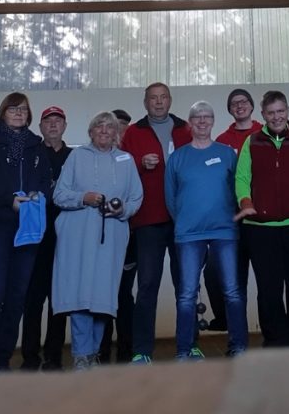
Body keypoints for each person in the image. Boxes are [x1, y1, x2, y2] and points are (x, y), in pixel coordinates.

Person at [52, 112, 143, 370]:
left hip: (111, 238)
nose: (104, 131)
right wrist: (84, 198)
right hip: (77, 237)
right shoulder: (76, 156)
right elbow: (59, 194)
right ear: (90, 132)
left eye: (109, 127)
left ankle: (92, 354)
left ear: (117, 134)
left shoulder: (126, 160)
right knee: (80, 297)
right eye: (99, 127)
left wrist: (122, 209)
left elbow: (136, 198)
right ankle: (82, 356)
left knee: (103, 299)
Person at [235, 90, 289, 346]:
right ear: (263, 115)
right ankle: (275, 341)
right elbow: (242, 178)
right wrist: (246, 202)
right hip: (261, 229)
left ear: (288, 112)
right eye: (271, 113)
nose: (276, 117)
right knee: (269, 290)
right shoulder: (251, 142)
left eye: (280, 111)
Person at [0, 92, 53, 371]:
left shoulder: (36, 146)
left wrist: (36, 196)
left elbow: (45, 181)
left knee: (17, 295)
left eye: (23, 109)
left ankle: (2, 360)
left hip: (28, 228)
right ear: (3, 112)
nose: (19, 113)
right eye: (13, 108)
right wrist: (9, 201)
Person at [166, 101, 248, 359]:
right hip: (189, 234)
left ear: (213, 121)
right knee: (186, 294)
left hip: (225, 231)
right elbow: (170, 198)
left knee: (232, 292)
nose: (202, 121)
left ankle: (238, 347)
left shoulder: (227, 154)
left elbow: (237, 189)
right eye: (197, 117)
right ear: (190, 123)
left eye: (207, 117)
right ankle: (184, 350)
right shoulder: (177, 157)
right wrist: (186, 221)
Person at [120, 83, 194, 364]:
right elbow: (121, 172)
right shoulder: (133, 132)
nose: (159, 102)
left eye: (163, 97)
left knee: (186, 286)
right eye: (153, 98)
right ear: (145, 102)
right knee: (147, 286)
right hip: (147, 220)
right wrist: (140, 163)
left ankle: (189, 347)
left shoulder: (186, 129)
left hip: (182, 221)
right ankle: (142, 351)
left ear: (170, 100)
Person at [21, 106, 72, 371]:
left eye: (58, 121)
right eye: (48, 121)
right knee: (33, 299)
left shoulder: (75, 157)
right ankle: (30, 357)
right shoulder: (30, 154)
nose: (53, 125)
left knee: (59, 300)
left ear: (65, 126)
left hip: (65, 235)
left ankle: (54, 357)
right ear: (40, 127)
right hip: (35, 235)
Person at [209, 88, 262, 332]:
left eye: (243, 102)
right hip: (232, 218)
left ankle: (272, 335)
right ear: (229, 110)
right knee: (233, 281)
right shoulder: (221, 140)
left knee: (267, 280)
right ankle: (236, 333)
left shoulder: (265, 133)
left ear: (251, 105)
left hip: (262, 218)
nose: (239, 106)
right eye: (234, 103)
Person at [99, 108, 137, 363]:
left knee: (123, 294)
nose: (119, 129)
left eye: (123, 125)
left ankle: (126, 352)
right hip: (100, 239)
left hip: (128, 238)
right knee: (102, 294)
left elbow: (136, 197)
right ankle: (101, 352)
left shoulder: (129, 159)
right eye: (114, 125)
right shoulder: (94, 158)